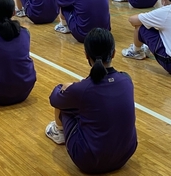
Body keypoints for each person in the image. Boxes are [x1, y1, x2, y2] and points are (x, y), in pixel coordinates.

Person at [46, 28, 137, 174]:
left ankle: (58, 132)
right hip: (125, 154)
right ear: (113, 53)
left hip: (89, 162)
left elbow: (54, 99)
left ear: (86, 55)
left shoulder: (82, 89)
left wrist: (63, 87)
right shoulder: (126, 79)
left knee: (66, 106)